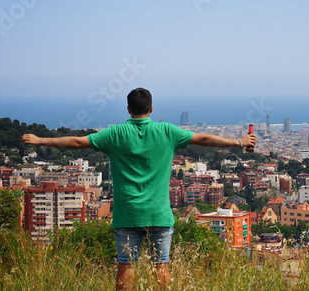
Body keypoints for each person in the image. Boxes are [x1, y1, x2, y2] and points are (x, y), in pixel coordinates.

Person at [21, 87, 256, 290]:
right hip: (160, 214)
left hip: (127, 214)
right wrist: (239, 142)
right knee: (161, 268)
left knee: (126, 268)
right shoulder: (167, 131)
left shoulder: (115, 134)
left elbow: (76, 142)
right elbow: (204, 139)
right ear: (151, 109)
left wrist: (40, 140)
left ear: (128, 109)